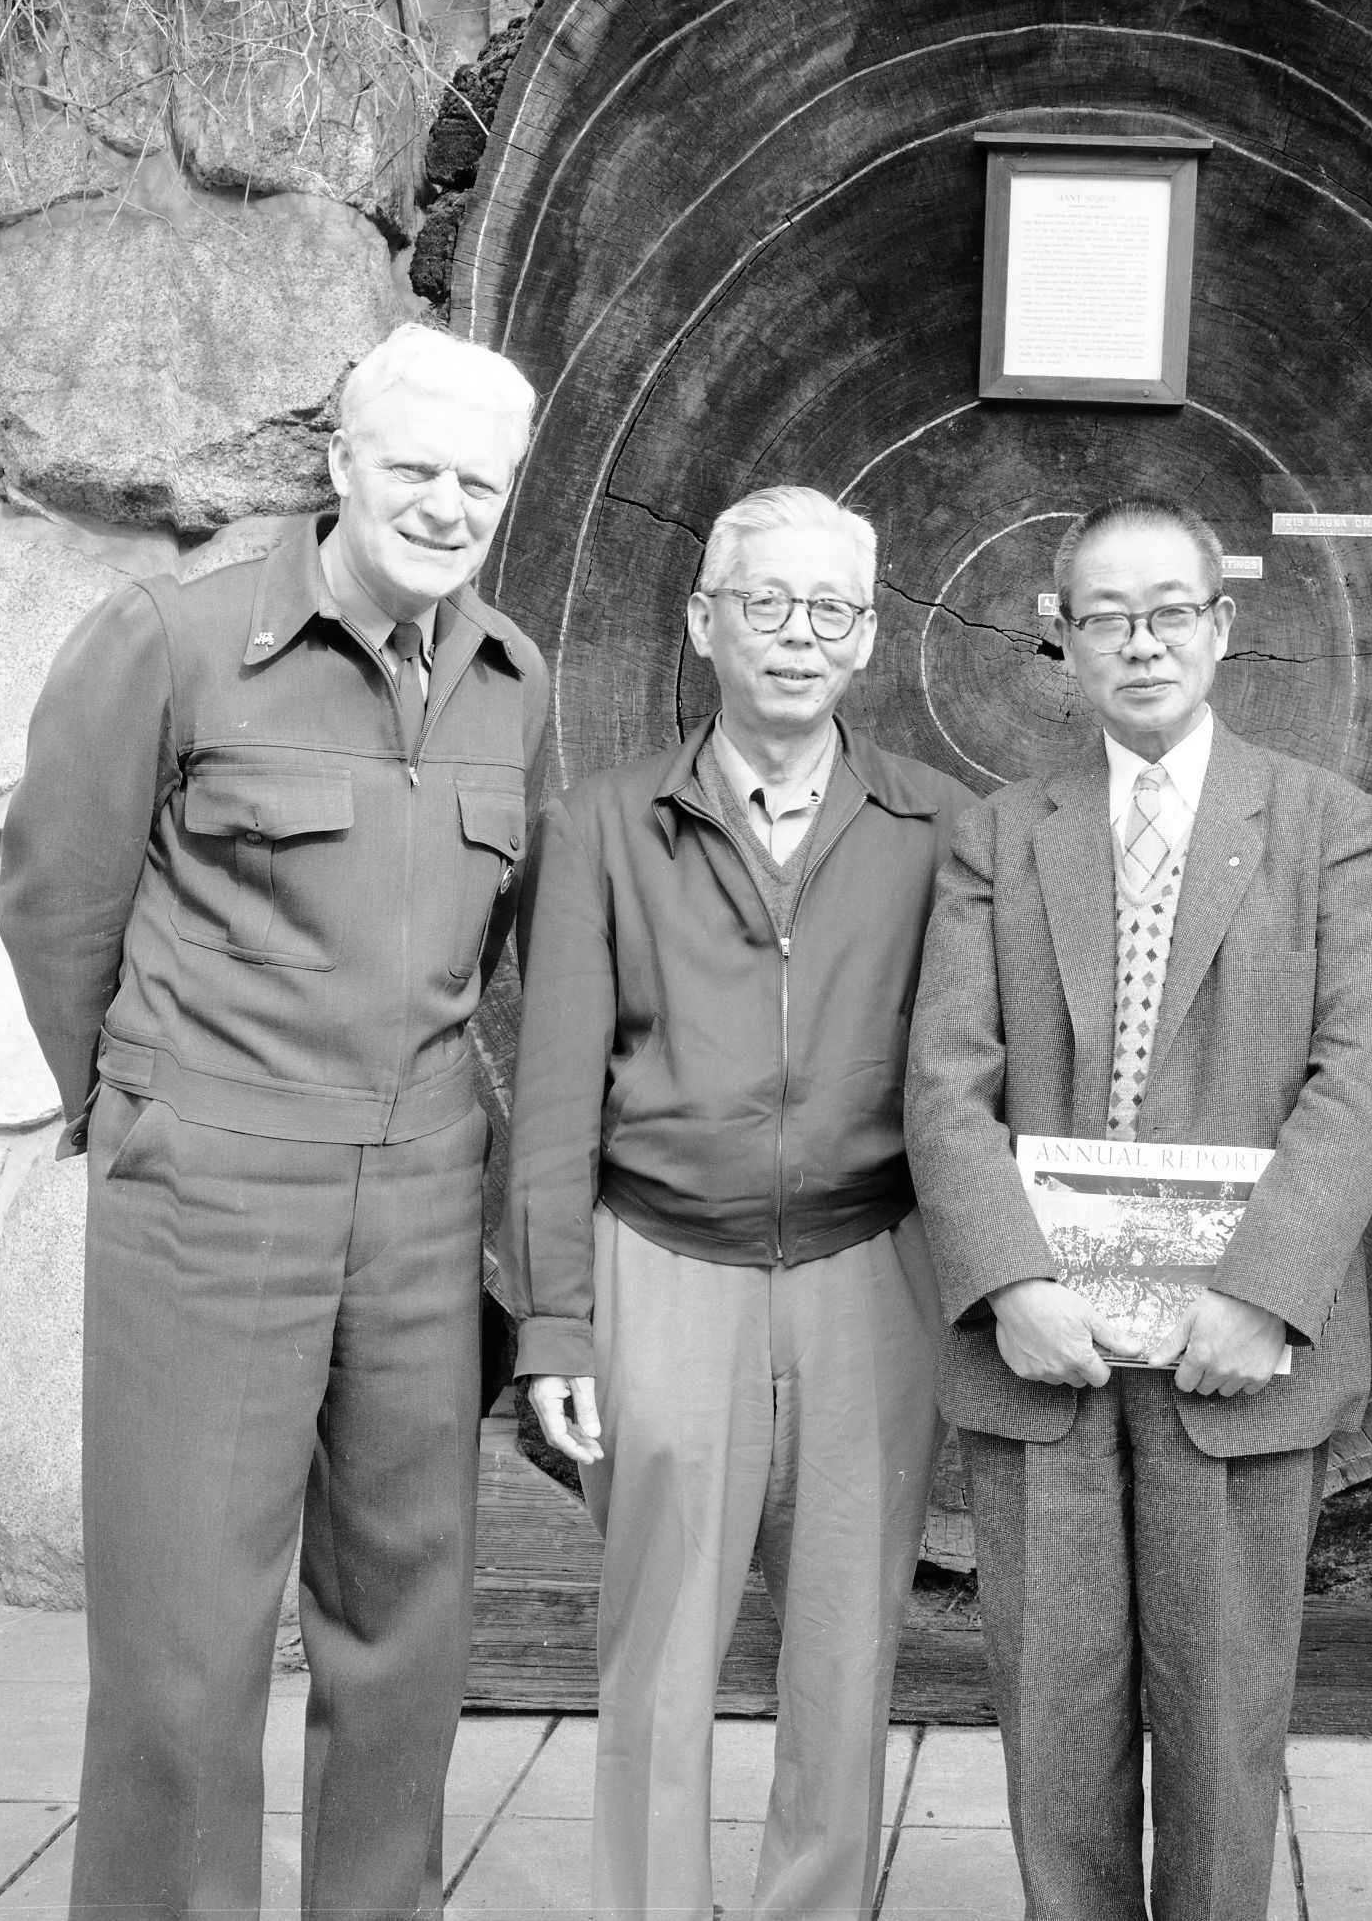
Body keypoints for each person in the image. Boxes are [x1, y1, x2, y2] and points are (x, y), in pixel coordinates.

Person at [0, 322, 551, 1921]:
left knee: (408, 1624)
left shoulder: (513, 680)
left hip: (426, 1195)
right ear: (338, 466)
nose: (446, 507)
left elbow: (493, 950)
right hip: (213, 1182)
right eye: (416, 469)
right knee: (183, 1638)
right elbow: (58, 910)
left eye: (480, 483)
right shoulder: (169, 641)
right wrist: (149, 1111)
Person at [905, 494, 1372, 1921]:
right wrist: (1009, 1282)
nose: (1140, 642)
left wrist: (1262, 1290)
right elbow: (944, 1077)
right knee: (1053, 1721)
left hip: (1232, 1349)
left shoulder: (1326, 827)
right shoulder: (1000, 835)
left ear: (1220, 627)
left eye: (1168, 610)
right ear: (1061, 638)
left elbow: (1359, 1076)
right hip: (1044, 1350)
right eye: (1106, 616)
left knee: (1223, 1721)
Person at [499, 485, 973, 1921]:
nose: (795, 634)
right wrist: (555, 1320)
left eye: (828, 607)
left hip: (866, 1268)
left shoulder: (942, 826)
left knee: (844, 1646)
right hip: (662, 1264)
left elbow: (968, 1077)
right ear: (704, 622)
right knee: (656, 1644)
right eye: (763, 601)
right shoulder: (599, 825)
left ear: (869, 637)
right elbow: (554, 1088)